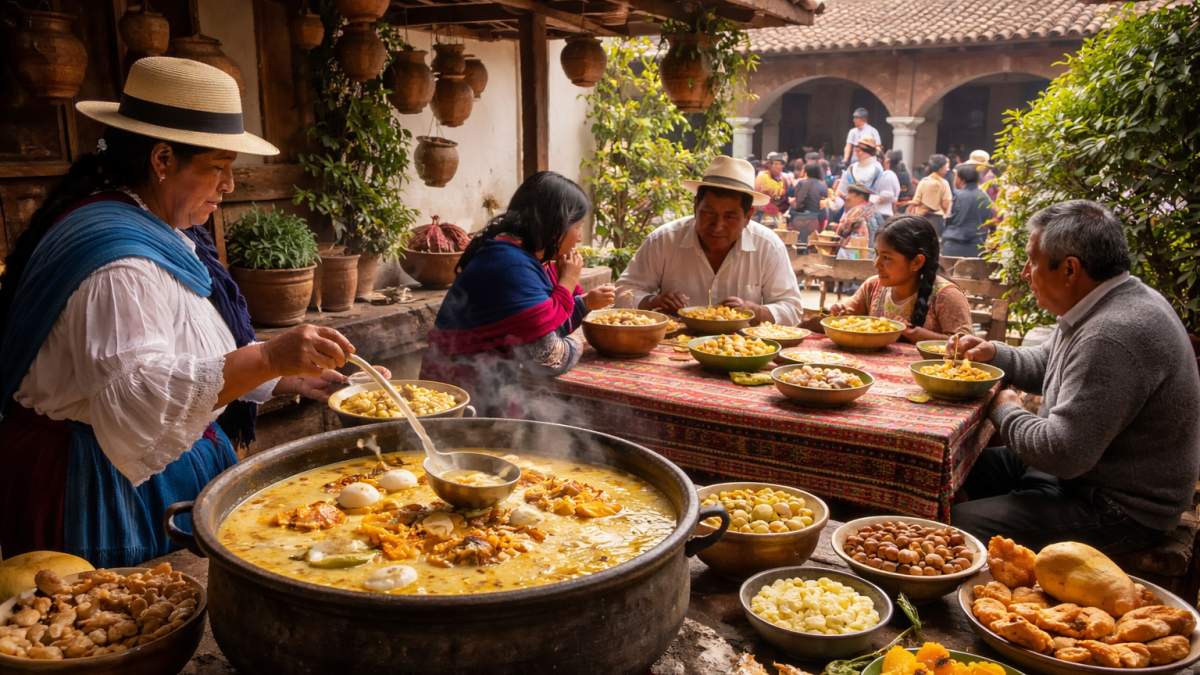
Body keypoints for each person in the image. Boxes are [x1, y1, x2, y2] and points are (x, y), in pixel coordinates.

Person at [0, 58, 363, 567]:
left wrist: (288, 378)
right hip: (104, 486)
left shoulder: (153, 225)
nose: (229, 185)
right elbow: (139, 396)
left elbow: (183, 348)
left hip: (142, 464)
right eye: (218, 166)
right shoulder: (119, 264)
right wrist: (270, 357)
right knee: (123, 623)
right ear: (163, 159)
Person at [950, 201, 1200, 553]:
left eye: (1032, 261)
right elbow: (1047, 363)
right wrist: (994, 354)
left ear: (1070, 269)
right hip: (1080, 474)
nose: (1025, 272)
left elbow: (1062, 453)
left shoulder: (1111, 333)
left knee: (956, 527)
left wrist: (1005, 410)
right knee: (944, 472)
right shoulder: (1105, 301)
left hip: (1118, 506)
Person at [420, 172, 613, 417]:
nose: (579, 237)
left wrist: (583, 303)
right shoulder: (510, 263)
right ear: (555, 225)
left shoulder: (526, 256)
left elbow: (543, 322)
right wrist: (577, 337)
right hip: (463, 395)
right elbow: (548, 357)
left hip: (487, 385)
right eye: (577, 227)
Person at [615, 156, 805, 326]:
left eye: (730, 216)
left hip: (741, 350)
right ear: (695, 206)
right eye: (708, 213)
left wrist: (753, 311)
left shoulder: (768, 246)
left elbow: (792, 309)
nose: (717, 226)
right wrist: (652, 302)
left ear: (748, 217)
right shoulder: (663, 240)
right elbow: (623, 292)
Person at [830, 215, 974, 341]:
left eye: (887, 257)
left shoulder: (947, 296)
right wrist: (842, 310)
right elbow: (851, 310)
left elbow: (965, 345)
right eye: (876, 253)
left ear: (917, 262)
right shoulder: (872, 287)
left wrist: (924, 337)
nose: (876, 264)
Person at [942, 165, 995, 257]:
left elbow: (948, 219)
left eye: (956, 176)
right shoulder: (985, 197)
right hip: (977, 246)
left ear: (962, 180)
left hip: (953, 245)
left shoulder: (959, 196)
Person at [910, 154, 952, 237]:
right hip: (937, 219)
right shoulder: (944, 183)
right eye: (946, 167)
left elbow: (916, 200)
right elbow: (946, 203)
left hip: (921, 217)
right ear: (941, 168)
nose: (947, 170)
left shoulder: (923, 181)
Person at [788, 161, 827, 242]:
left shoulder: (800, 182)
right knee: (824, 210)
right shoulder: (822, 184)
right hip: (816, 216)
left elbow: (796, 199)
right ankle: (822, 232)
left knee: (791, 210)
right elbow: (824, 200)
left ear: (806, 171)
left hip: (798, 215)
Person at [754, 152, 792, 229]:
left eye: (780, 164)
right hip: (765, 214)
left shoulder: (786, 178)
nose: (778, 166)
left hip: (781, 213)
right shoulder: (762, 176)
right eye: (775, 164)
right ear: (769, 164)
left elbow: (789, 195)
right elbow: (758, 195)